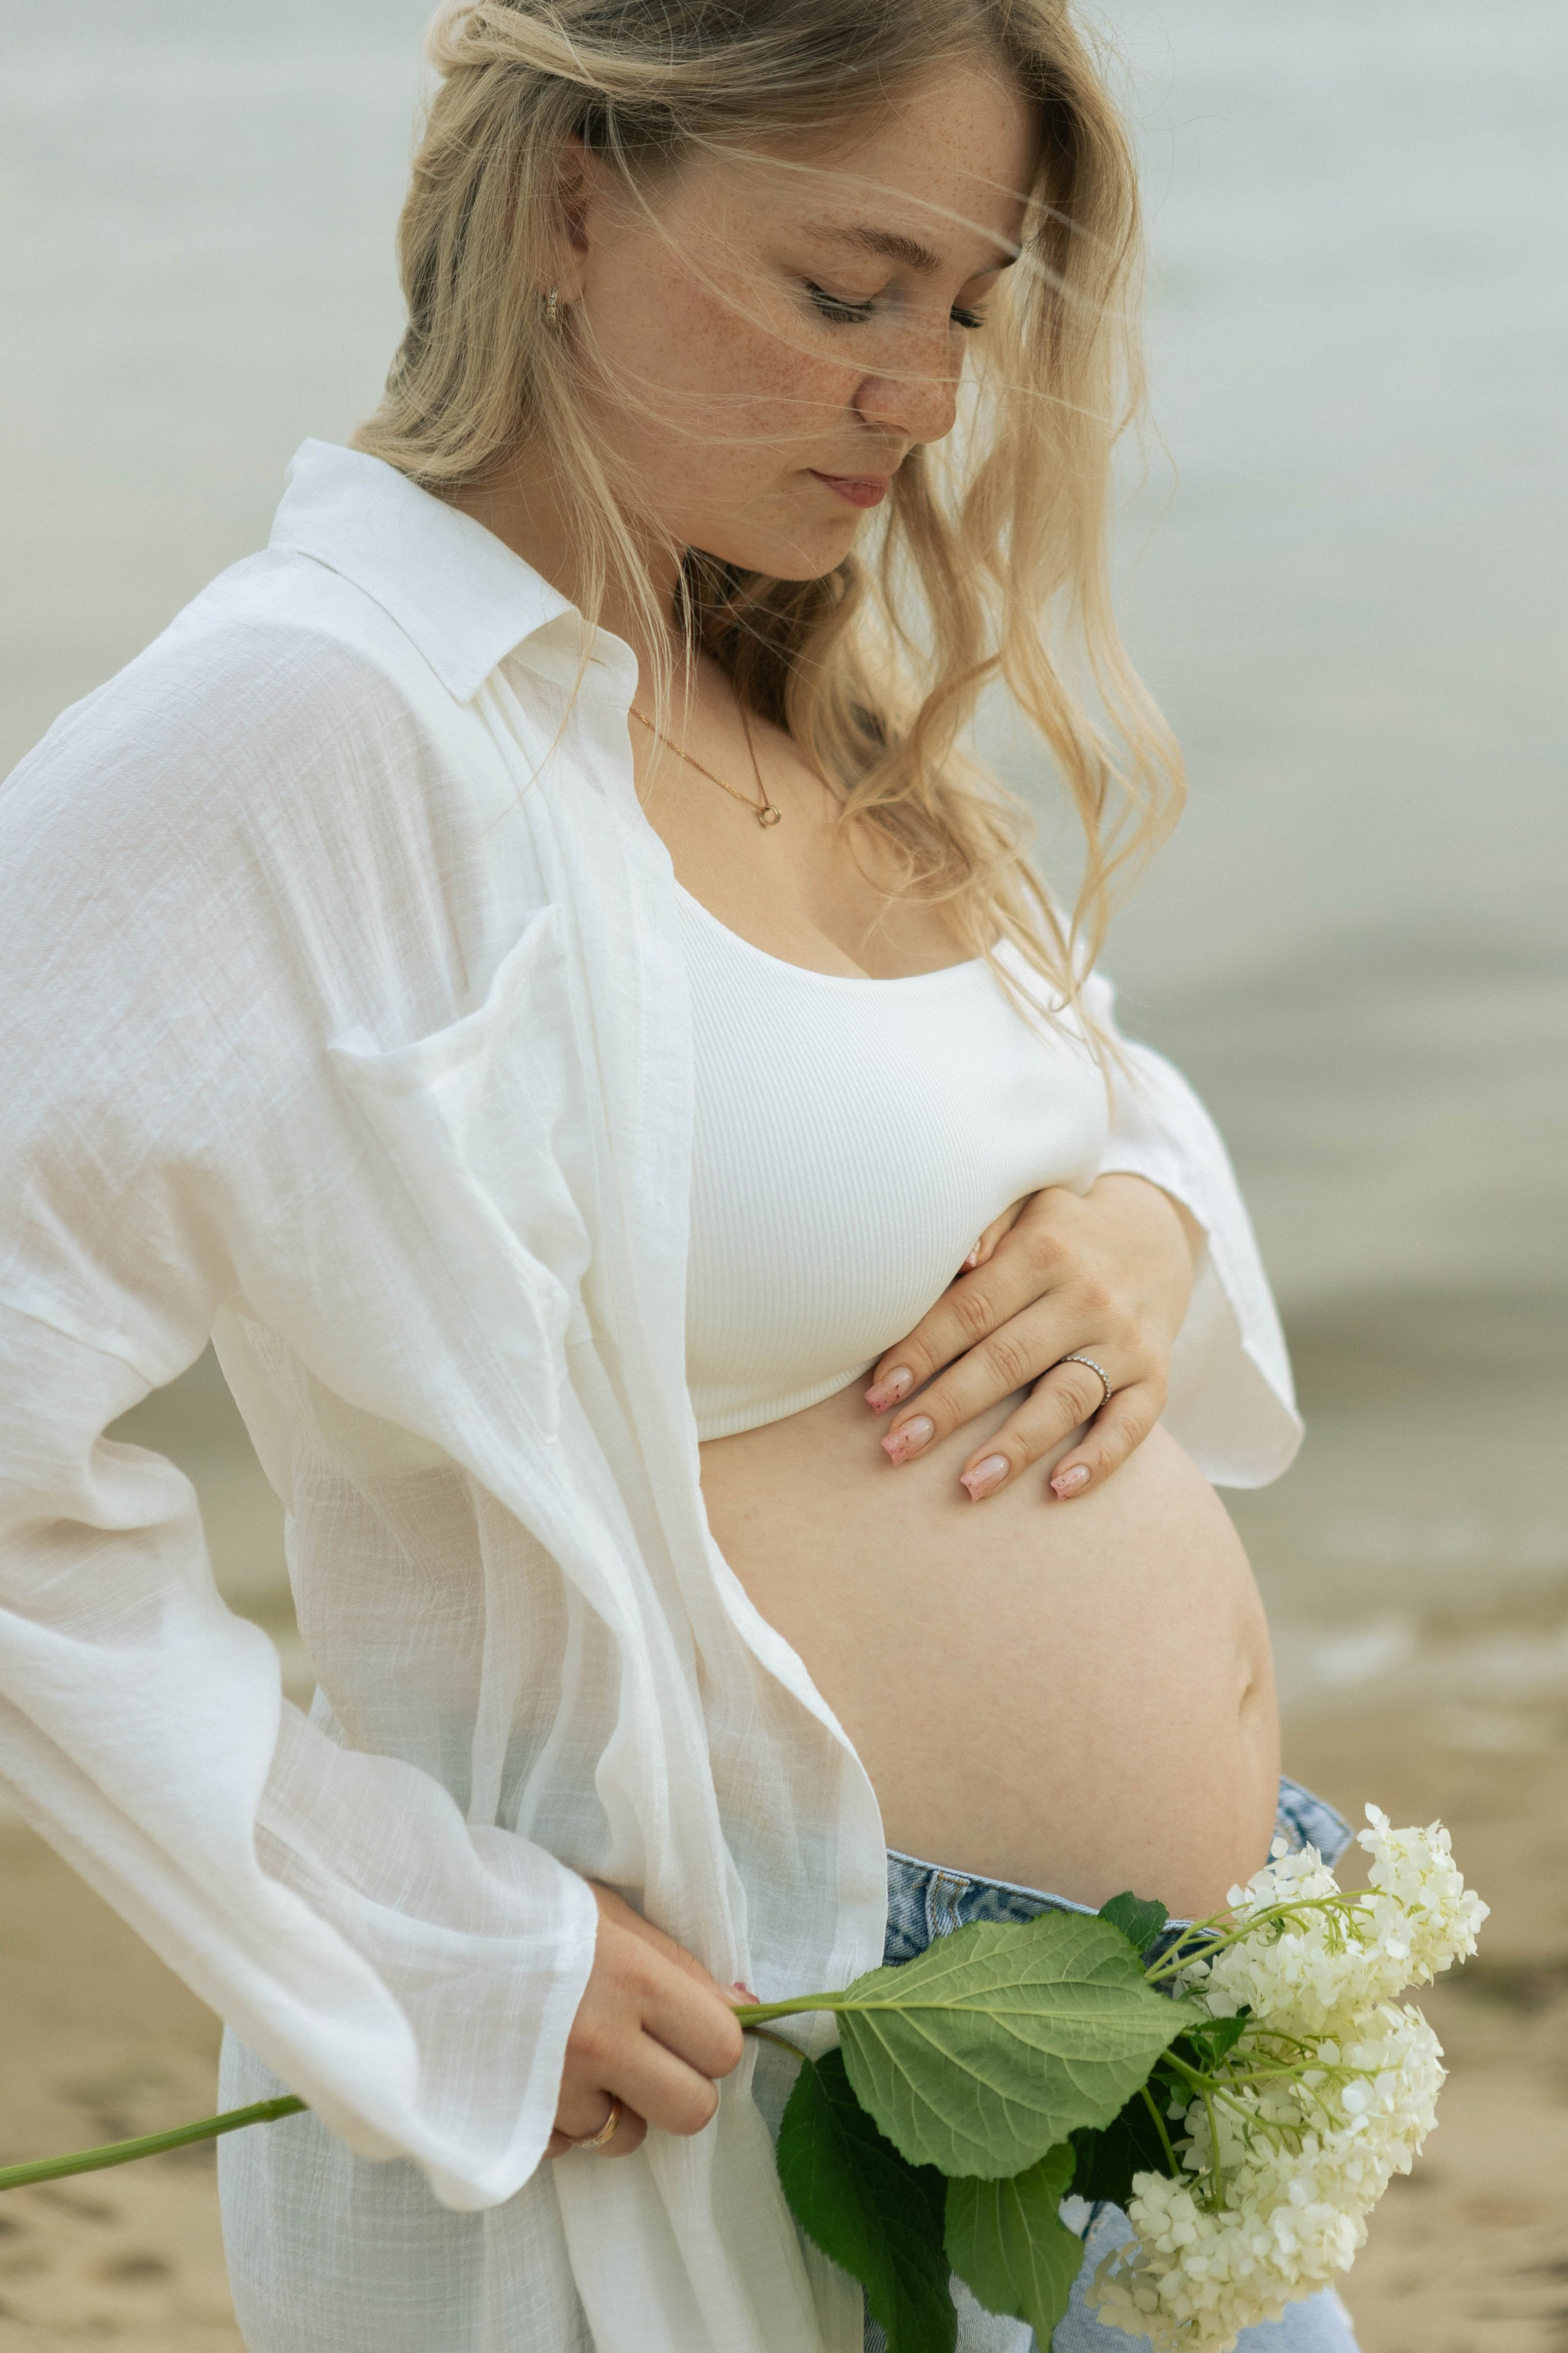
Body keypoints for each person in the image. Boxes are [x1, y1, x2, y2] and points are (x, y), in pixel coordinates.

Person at [0, 4, 1360, 2349]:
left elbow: (1056, 1094)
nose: (923, 397)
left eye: (969, 310)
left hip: (1147, 2070)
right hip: (733, 2088)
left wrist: (1146, 1223)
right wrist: (434, 1951)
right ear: (569, 200)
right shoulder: (321, 716)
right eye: (849, 290)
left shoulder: (782, 682)